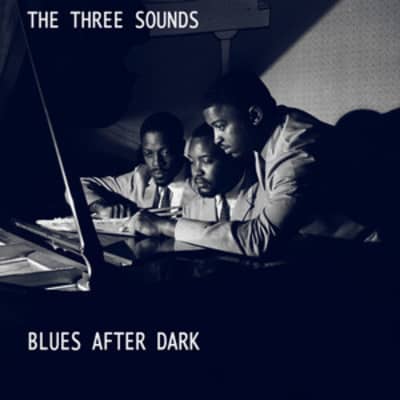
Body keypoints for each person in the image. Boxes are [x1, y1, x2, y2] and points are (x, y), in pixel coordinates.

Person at [124, 72, 377, 256]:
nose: (216, 139)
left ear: (254, 116)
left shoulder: (295, 156)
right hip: (322, 250)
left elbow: (259, 239)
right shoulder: (272, 133)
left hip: (363, 258)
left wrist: (166, 225)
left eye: (220, 127)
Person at [79, 112, 191, 218]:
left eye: (165, 152)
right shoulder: (140, 177)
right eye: (148, 153)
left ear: (181, 148)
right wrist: (99, 206)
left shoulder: (199, 181)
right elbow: (80, 185)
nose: (156, 162)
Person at [183, 123, 264, 222]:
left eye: (206, 161)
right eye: (192, 161)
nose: (197, 172)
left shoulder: (267, 201)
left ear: (232, 157)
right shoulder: (191, 210)